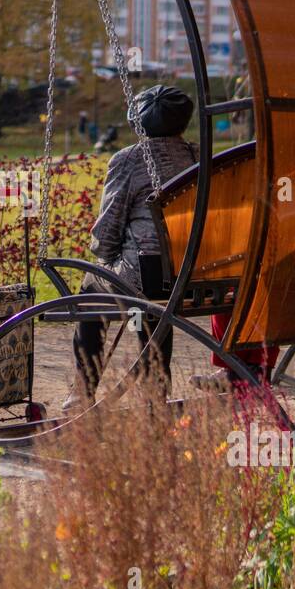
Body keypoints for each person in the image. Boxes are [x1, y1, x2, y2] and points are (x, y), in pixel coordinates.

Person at [68, 85, 197, 409]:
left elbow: (108, 229)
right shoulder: (197, 156)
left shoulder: (128, 159)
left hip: (147, 271)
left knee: (93, 291)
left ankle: (83, 391)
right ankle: (155, 392)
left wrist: (104, 257)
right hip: (191, 272)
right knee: (155, 303)